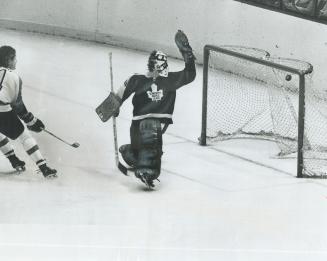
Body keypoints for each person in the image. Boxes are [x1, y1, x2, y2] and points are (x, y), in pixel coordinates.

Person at [113, 30, 196, 188]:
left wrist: (114, 106)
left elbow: (118, 95)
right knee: (149, 137)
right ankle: (146, 168)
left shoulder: (136, 79)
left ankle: (133, 153)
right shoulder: (171, 79)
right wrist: (187, 52)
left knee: (142, 147)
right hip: (150, 125)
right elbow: (190, 74)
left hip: (137, 126)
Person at [0, 45, 57, 178]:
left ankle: (14, 160)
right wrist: (31, 121)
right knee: (25, 137)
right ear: (9, 60)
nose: (16, 61)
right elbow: (17, 105)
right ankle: (44, 168)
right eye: (15, 58)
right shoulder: (13, 77)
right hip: (2, 112)